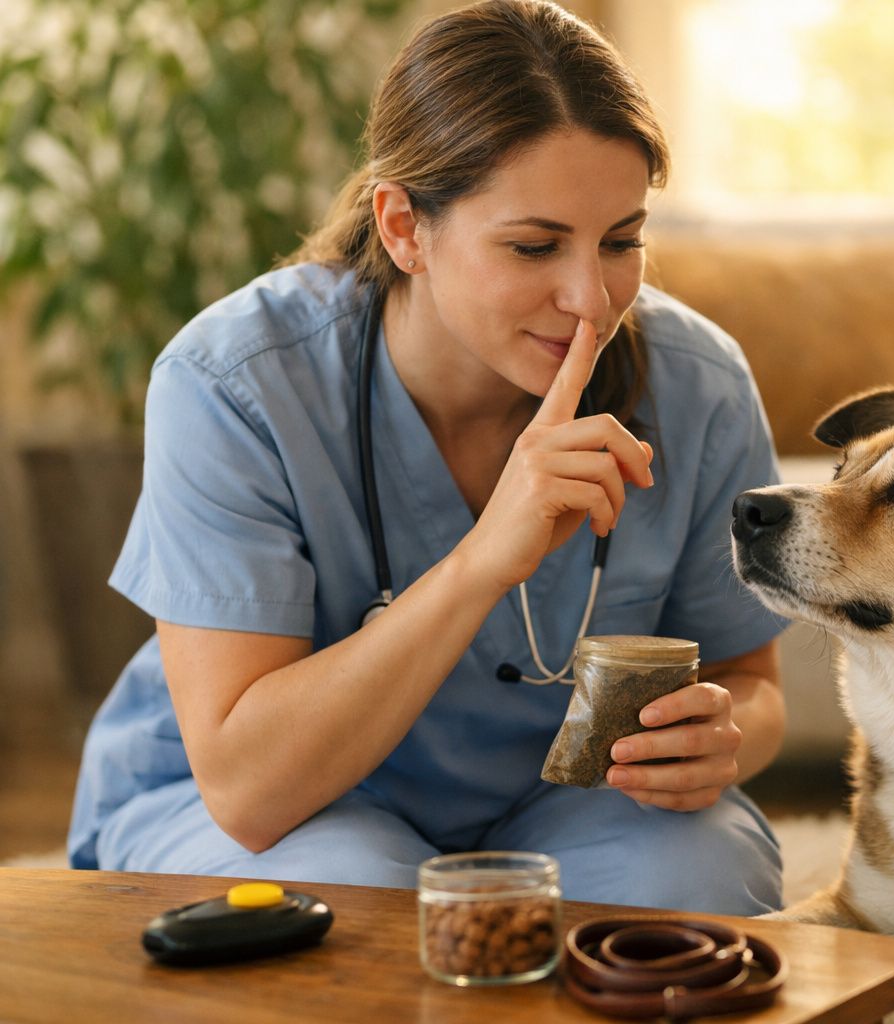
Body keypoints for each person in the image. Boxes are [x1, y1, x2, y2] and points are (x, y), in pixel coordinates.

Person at [66, 0, 789, 915]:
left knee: (695, 881)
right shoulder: (235, 383)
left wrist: (724, 737)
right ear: (404, 227)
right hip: (280, 802)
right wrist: (482, 562)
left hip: (561, 804)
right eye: (534, 246)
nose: (591, 298)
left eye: (621, 241)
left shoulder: (699, 386)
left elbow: (753, 686)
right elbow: (248, 792)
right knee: (355, 908)